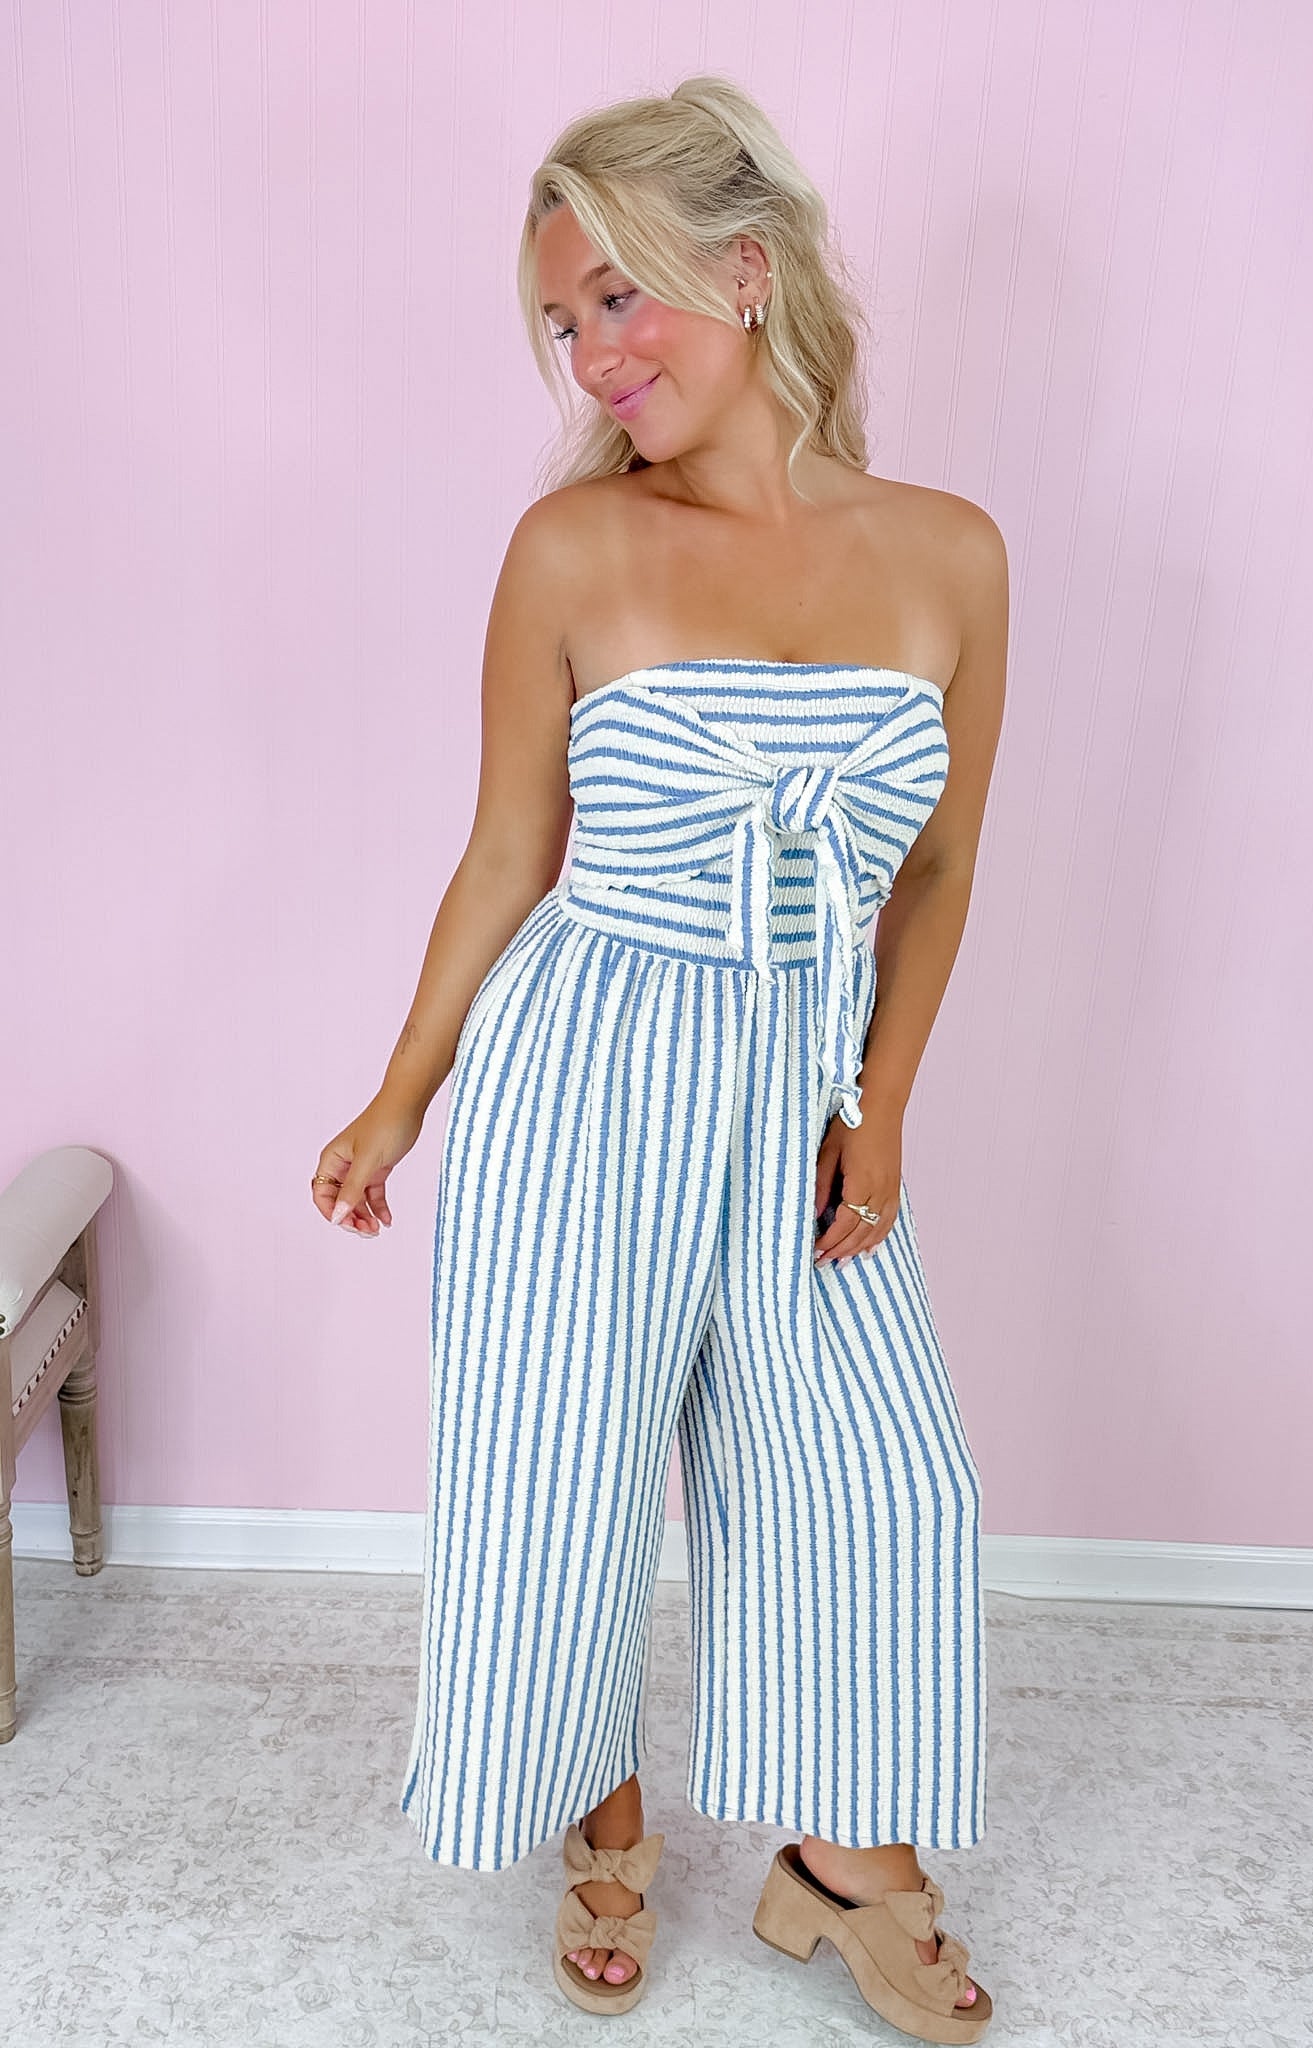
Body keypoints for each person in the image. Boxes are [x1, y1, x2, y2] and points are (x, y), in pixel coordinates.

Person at [312, 73, 1007, 2041]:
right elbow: (505, 854)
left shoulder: (949, 553)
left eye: (617, 296)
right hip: (583, 1065)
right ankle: (596, 1808)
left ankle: (835, 1858)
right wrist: (401, 1092)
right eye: (563, 322)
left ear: (747, 267)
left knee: (876, 1477)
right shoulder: (567, 550)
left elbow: (939, 866)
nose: (594, 355)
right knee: (565, 1466)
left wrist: (881, 1107)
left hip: (802, 1079)